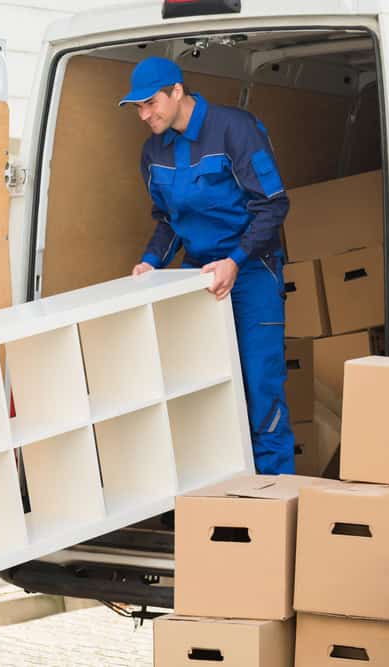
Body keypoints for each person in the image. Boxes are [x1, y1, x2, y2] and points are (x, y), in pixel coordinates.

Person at [121, 57, 294, 474]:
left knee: (260, 386)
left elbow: (273, 204)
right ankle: (220, 501)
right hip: (196, 278)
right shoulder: (152, 151)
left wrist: (235, 261)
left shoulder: (235, 129)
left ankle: (273, 501)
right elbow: (167, 221)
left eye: (150, 104)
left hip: (252, 272)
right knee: (206, 393)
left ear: (177, 92)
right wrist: (150, 263)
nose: (145, 115)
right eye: (138, 108)